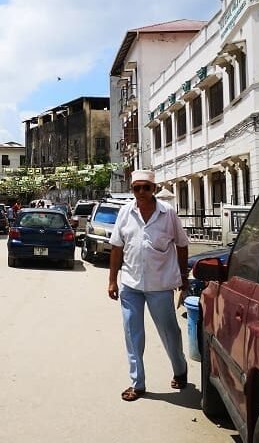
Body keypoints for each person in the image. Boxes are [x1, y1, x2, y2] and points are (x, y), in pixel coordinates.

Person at [107, 169, 189, 402]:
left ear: (154, 188)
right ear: (132, 190)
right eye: (137, 188)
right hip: (130, 284)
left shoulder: (168, 213)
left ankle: (180, 369)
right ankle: (138, 383)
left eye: (146, 187)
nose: (141, 192)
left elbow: (182, 245)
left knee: (169, 332)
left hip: (160, 285)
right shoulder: (125, 212)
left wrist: (183, 277)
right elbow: (117, 247)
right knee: (132, 334)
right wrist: (112, 280)